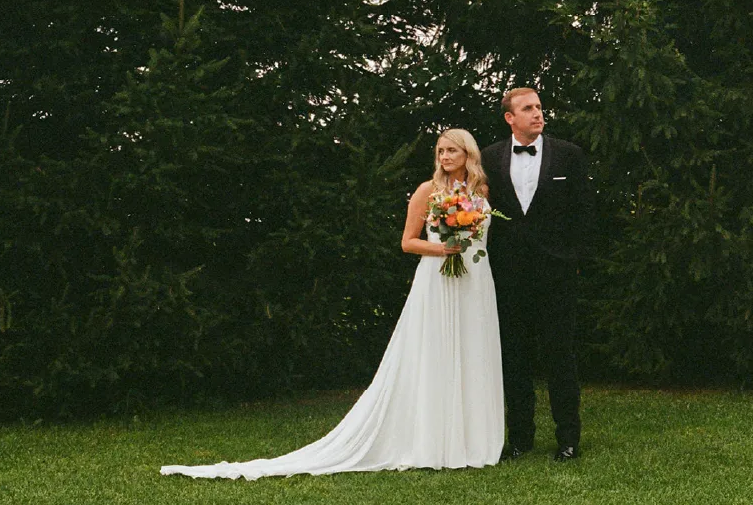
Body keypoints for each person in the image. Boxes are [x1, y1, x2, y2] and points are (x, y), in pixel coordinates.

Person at [160, 130, 504, 478]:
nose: (444, 156)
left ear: (468, 153)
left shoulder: (482, 192)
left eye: (451, 150)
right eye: (440, 151)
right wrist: (442, 249)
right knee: (435, 356)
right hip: (437, 281)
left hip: (474, 283)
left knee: (473, 353)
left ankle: (472, 441)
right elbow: (407, 242)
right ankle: (435, 441)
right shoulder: (427, 191)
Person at [481, 88, 595, 462]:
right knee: (514, 356)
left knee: (560, 354)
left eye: (539, 108)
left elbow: (584, 212)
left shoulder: (568, 155)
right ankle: (520, 438)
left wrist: (572, 257)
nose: (537, 114)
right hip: (509, 273)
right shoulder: (490, 158)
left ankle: (568, 438)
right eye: (527, 108)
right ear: (509, 118)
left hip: (556, 273)